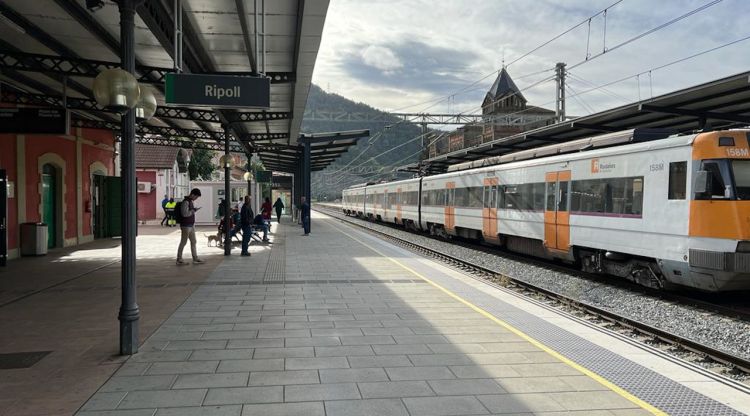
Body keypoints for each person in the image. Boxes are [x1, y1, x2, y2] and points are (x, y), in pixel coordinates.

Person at [176, 188, 204, 265]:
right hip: (185, 225)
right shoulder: (185, 202)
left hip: (191, 225)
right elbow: (184, 214)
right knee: (183, 242)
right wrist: (193, 211)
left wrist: (193, 210)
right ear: (192, 194)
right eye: (196, 197)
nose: (196, 198)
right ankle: (179, 259)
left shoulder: (190, 201)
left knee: (194, 241)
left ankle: (195, 258)